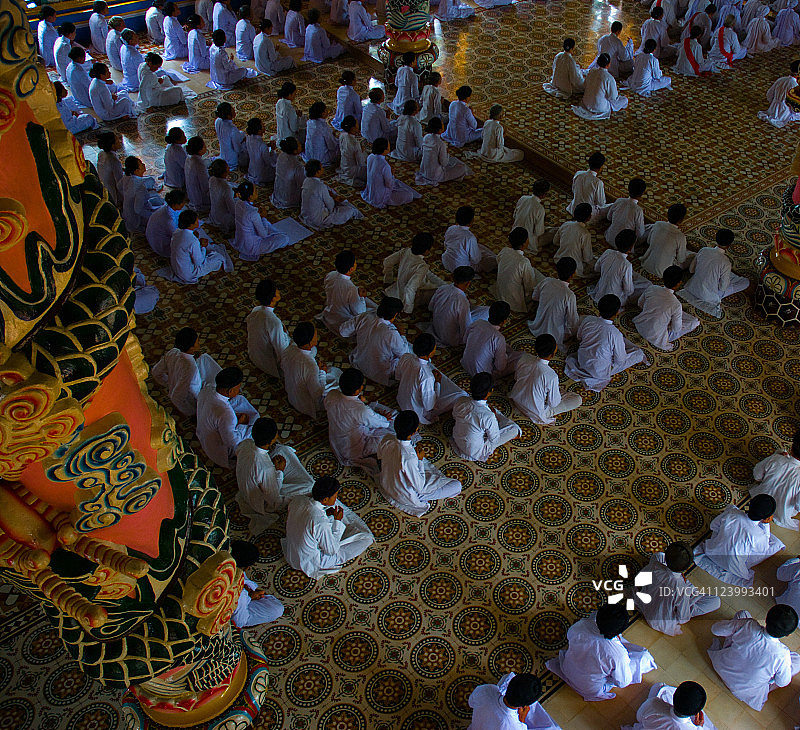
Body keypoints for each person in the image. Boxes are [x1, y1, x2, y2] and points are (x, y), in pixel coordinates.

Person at [545, 605, 657, 701]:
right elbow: (623, 682)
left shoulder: (580, 625)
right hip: (589, 688)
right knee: (644, 657)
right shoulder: (618, 655)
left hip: (568, 668)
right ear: (618, 633)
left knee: (616, 661)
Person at [708, 605, 800, 711]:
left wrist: (740, 631)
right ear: (788, 635)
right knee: (797, 660)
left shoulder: (749, 624)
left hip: (722, 667)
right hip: (744, 692)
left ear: (766, 619)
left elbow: (715, 629)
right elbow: (782, 683)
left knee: (742, 614)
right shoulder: (783, 655)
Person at [282, 475, 375, 578]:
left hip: (292, 555)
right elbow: (331, 551)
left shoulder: (298, 499)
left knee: (327, 522)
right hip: (309, 563)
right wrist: (338, 521)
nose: (336, 498)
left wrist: (327, 515)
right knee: (367, 539)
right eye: (335, 495)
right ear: (325, 499)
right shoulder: (319, 522)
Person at [235, 418, 314, 534]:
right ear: (271, 440)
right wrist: (279, 471)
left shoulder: (246, 444)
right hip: (263, 503)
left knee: (282, 449)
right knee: (310, 486)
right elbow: (274, 499)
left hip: (248, 487)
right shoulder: (265, 468)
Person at [377, 411, 462, 517]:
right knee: (456, 486)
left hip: (386, 482)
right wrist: (420, 460)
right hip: (404, 493)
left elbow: (380, 457)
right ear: (414, 431)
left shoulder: (387, 438)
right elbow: (420, 488)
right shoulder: (408, 457)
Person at [694, 494, 785, 587]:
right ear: (767, 518)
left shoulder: (732, 512)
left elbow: (713, 526)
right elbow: (762, 550)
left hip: (711, 552)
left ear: (750, 503)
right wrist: (766, 525)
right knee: (776, 543)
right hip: (732, 566)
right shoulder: (759, 535)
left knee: (725, 528)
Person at [632, 541, 721, 637]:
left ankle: (687, 588)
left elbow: (639, 579)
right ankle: (689, 591)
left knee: (658, 555)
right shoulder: (681, 588)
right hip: (659, 621)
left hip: (643, 603)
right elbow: (683, 618)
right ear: (686, 568)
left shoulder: (656, 565)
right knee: (715, 601)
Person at [564, 294, 646, 391]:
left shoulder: (588, 320)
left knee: (614, 344)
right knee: (638, 354)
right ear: (617, 313)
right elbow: (620, 361)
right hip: (599, 372)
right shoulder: (615, 333)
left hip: (582, 361)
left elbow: (579, 337)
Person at [323, 369, 395, 467]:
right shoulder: (361, 410)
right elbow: (383, 423)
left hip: (335, 441)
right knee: (391, 434)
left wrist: (359, 402)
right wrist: (385, 418)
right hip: (351, 450)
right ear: (357, 390)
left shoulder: (331, 394)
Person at [151, 325, 222, 419]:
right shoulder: (191, 369)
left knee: (204, 358)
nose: (199, 343)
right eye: (197, 342)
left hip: (181, 388)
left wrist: (170, 383)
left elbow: (155, 372)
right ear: (191, 347)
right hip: (191, 400)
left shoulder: (172, 352)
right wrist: (194, 412)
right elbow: (185, 394)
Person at [196, 366, 259, 468]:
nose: (239, 390)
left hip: (203, 434)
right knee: (254, 428)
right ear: (230, 391)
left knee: (239, 399)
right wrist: (241, 424)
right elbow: (233, 443)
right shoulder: (226, 413)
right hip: (218, 450)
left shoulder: (206, 390)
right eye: (238, 388)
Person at [511, 334, 582, 425]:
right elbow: (553, 404)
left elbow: (516, 377)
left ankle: (551, 391)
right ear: (552, 355)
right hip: (534, 412)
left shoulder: (524, 358)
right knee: (577, 399)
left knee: (546, 387)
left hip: (517, 400)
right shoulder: (551, 376)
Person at [396, 334, 464, 425]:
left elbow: (398, 376)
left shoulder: (406, 357)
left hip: (401, 399)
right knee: (459, 394)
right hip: (415, 412)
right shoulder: (427, 377)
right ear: (429, 353)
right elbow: (429, 406)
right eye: (434, 348)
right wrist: (437, 383)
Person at [340, 297, 410, 386]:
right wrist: (402, 335)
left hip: (359, 362)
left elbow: (343, 331)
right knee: (410, 353)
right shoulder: (392, 333)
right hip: (379, 373)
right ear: (395, 315)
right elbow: (404, 354)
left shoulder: (365, 316)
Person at [678, 228, 748, 317]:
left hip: (692, 287)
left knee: (719, 273)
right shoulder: (726, 262)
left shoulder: (704, 250)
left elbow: (691, 270)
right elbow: (723, 287)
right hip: (708, 296)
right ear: (729, 245)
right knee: (745, 282)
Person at [452, 372, 521, 461]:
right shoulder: (488, 416)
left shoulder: (461, 400)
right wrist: (493, 419)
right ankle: (498, 422)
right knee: (515, 429)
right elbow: (494, 440)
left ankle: (493, 423)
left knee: (488, 411)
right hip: (476, 451)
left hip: (458, 439)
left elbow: (455, 416)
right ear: (490, 391)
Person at [282, 322, 342, 418]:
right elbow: (317, 394)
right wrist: (322, 372)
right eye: (315, 335)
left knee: (331, 372)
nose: (317, 336)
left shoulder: (289, 349)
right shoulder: (310, 365)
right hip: (305, 404)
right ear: (309, 342)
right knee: (337, 378)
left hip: (292, 396)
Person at [634, 267, 700, 351]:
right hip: (656, 338)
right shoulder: (676, 304)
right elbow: (676, 329)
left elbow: (640, 304)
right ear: (679, 283)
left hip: (641, 326)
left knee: (671, 312)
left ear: (663, 278)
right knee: (694, 322)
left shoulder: (652, 288)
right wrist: (668, 323)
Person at [467, 672, 560, 730]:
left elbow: (471, 702)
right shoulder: (515, 726)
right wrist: (522, 719)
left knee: (506, 676)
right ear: (525, 705)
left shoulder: (487, 690)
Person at [165, 209, 233, 284]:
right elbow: (199, 262)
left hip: (176, 268)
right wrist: (203, 247)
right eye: (196, 221)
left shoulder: (177, 232)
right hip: (188, 274)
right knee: (219, 258)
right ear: (191, 225)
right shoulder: (193, 241)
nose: (198, 221)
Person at [749, 431, 800, 530]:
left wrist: (778, 455)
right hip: (782, 513)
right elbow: (799, 506)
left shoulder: (776, 458)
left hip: (759, 499)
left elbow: (757, 476)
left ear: (792, 448)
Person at [383, 232, 445, 313]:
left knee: (436, 283)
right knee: (439, 292)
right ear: (426, 251)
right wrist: (407, 310)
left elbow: (387, 261)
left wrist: (388, 280)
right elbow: (410, 288)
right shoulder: (422, 266)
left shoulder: (406, 251)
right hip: (405, 299)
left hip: (396, 290)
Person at [428, 266, 489, 347]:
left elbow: (430, 307)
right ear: (468, 283)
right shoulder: (462, 301)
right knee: (487, 312)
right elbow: (465, 328)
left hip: (436, 328)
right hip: (450, 338)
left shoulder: (442, 288)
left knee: (470, 310)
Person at [229, 540, 285, 626]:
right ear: (246, 568)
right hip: (235, 604)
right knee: (277, 610)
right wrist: (249, 597)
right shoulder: (241, 594)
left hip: (241, 594)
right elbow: (238, 623)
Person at [529, 257, 580, 352]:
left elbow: (534, 297)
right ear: (573, 274)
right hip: (555, 335)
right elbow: (572, 322)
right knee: (582, 320)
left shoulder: (546, 281)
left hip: (537, 327)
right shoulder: (569, 295)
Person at [318, 250, 375, 335]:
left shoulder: (330, 275)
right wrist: (361, 298)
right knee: (374, 314)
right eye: (355, 263)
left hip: (330, 314)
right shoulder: (351, 289)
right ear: (351, 269)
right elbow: (359, 312)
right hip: (343, 323)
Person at [232, 181, 291, 261]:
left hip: (240, 240)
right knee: (284, 238)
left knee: (268, 225)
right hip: (251, 246)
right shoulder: (253, 213)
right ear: (250, 197)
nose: (257, 191)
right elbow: (264, 235)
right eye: (255, 191)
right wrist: (263, 217)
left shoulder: (238, 203)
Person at [589, 230, 648, 306]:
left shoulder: (608, 252)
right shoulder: (627, 265)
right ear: (631, 248)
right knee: (646, 284)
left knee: (628, 276)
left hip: (599, 292)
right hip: (615, 300)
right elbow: (628, 291)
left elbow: (596, 268)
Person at [462, 301, 519, 379]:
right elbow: (500, 367)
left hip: (465, 363)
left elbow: (465, 340)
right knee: (520, 357)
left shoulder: (478, 323)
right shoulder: (498, 338)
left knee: (502, 348)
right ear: (504, 321)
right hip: (482, 375)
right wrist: (505, 356)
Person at [300, 159, 364, 229]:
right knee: (350, 210)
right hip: (318, 220)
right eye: (321, 167)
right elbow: (330, 206)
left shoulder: (306, 180)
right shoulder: (320, 186)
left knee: (329, 190)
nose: (323, 169)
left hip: (306, 216)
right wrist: (335, 199)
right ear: (317, 172)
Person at [623, 682, 715, 730]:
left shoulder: (654, 704)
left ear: (674, 695)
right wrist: (699, 726)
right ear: (694, 714)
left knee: (658, 686)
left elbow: (639, 717)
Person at [245, 279, 289, 378]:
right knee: (311, 350)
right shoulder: (274, 323)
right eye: (276, 290)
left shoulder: (255, 311)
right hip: (269, 365)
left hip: (254, 356)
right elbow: (281, 351)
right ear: (273, 298)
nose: (279, 291)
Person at [493, 228, 542, 313]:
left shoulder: (505, 250)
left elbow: (498, 261)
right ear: (524, 243)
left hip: (500, 293)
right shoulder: (524, 262)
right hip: (514, 301)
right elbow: (530, 286)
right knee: (542, 280)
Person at [362, 138, 421, 208]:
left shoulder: (370, 157)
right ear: (385, 150)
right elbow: (389, 185)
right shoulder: (384, 165)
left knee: (398, 182)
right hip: (381, 197)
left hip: (370, 192)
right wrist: (391, 174)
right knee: (409, 195)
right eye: (388, 146)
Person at [639, 203, 691, 277]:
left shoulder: (658, 224)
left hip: (646, 263)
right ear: (681, 220)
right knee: (692, 256)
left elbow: (648, 241)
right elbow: (681, 260)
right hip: (664, 271)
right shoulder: (680, 236)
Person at [572, 54, 628, 120]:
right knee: (624, 100)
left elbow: (585, 85)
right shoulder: (609, 78)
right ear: (608, 64)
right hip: (600, 108)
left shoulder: (592, 71)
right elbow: (613, 97)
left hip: (586, 103)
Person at [416, 117, 471, 185]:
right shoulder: (440, 144)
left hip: (423, 172)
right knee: (462, 168)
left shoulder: (426, 137)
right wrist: (446, 152)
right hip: (436, 176)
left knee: (451, 161)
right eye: (442, 125)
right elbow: (444, 163)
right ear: (440, 130)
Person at [442, 205, 497, 273]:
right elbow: (476, 260)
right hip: (462, 269)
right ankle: (497, 261)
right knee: (487, 257)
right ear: (471, 221)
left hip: (446, 262)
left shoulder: (451, 228)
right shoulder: (470, 237)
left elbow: (446, 245)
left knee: (477, 247)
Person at [119, 156, 164, 233]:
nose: (144, 164)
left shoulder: (126, 177)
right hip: (136, 219)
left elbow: (119, 187)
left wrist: (129, 197)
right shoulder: (140, 186)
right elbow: (138, 210)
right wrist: (153, 217)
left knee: (156, 200)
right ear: (137, 171)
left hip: (128, 213)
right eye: (141, 164)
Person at [553, 203, 594, 276]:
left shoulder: (566, 224)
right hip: (574, 267)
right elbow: (587, 258)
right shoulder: (585, 234)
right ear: (589, 217)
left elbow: (555, 242)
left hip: (559, 260)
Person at [513, 180, 551, 254]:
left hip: (514, 234)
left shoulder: (523, 198)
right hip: (528, 242)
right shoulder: (540, 209)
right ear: (544, 194)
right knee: (554, 232)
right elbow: (538, 232)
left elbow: (514, 216)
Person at [146, 189, 186, 257]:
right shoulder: (169, 220)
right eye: (182, 202)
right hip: (161, 245)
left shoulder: (167, 207)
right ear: (175, 204)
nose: (184, 203)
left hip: (153, 237)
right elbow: (178, 236)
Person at [758, 61, 800, 128]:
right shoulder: (795, 86)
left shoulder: (781, 79)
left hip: (772, 108)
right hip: (785, 113)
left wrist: (775, 103)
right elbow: (795, 107)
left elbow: (769, 94)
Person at [567, 152, 606, 217]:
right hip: (586, 214)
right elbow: (601, 203)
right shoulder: (598, 182)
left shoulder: (578, 173)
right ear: (601, 167)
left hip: (573, 209)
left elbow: (573, 190)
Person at [272, 137, 306, 208]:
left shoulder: (281, 155)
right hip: (288, 198)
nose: (301, 145)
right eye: (299, 144)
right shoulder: (297, 166)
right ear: (295, 151)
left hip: (278, 193)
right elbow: (301, 184)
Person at [304, 101, 339, 168]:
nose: (327, 112)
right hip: (320, 158)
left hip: (309, 155)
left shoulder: (309, 122)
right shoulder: (323, 128)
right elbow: (332, 146)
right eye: (326, 111)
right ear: (322, 114)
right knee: (341, 145)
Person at [242, 118, 276, 186]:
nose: (264, 126)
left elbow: (255, 149)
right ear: (259, 131)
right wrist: (273, 149)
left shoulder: (248, 137)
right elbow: (269, 163)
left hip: (251, 170)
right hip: (261, 174)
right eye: (263, 125)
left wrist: (268, 145)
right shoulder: (262, 146)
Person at [215, 101, 247, 171]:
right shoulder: (232, 129)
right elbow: (237, 149)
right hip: (232, 160)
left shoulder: (217, 121)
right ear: (229, 116)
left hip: (223, 154)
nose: (234, 110)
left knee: (241, 133)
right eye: (232, 110)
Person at [184, 135, 212, 214]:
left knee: (208, 162)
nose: (206, 147)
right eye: (204, 146)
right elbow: (204, 186)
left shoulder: (189, 157)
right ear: (199, 150)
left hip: (191, 194)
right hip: (200, 198)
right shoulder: (199, 164)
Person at [96, 131, 123, 206]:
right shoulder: (113, 160)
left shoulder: (101, 154)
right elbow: (120, 182)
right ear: (112, 146)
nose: (120, 142)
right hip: (112, 194)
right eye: (117, 141)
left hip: (103, 189)